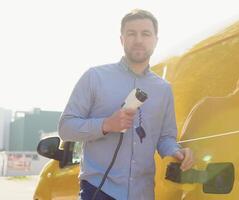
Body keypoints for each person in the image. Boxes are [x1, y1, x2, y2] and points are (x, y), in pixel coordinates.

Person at [58, 9, 194, 200]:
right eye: (131, 33)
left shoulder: (163, 89)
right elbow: (66, 128)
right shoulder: (94, 77)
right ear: (122, 39)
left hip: (143, 193)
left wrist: (176, 152)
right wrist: (106, 125)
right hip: (99, 191)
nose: (139, 39)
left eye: (146, 33)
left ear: (155, 40)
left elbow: (165, 137)